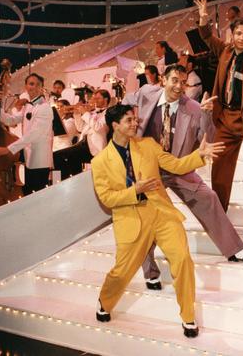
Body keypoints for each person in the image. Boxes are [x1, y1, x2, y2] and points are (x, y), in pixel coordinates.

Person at [123, 63, 243, 290]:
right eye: (174, 81)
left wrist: (207, 116)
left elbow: (209, 138)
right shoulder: (147, 93)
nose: (179, 87)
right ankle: (150, 273)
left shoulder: (195, 107)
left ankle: (235, 249)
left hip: (179, 166)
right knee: (145, 216)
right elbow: (126, 102)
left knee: (208, 197)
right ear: (163, 80)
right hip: (148, 170)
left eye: (183, 82)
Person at [91, 104, 224, 338]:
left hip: (162, 214)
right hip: (131, 219)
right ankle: (105, 301)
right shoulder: (100, 162)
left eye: (135, 119)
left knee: (183, 259)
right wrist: (134, 190)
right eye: (129, 120)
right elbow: (106, 198)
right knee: (121, 273)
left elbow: (175, 165)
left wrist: (198, 156)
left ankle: (188, 317)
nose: (135, 123)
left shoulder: (148, 145)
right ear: (115, 126)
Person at [195, 0, 243, 211]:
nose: (242, 38)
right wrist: (204, 17)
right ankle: (219, 211)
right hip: (225, 118)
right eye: (238, 33)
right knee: (220, 169)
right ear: (232, 35)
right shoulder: (225, 51)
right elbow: (206, 35)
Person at [0, 73, 54, 195]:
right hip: (29, 159)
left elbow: (33, 134)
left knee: (37, 199)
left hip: (40, 162)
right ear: (26, 86)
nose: (34, 87)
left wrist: (8, 149)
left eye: (38, 85)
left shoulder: (45, 108)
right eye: (31, 84)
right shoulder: (28, 106)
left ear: (42, 87)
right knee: (29, 196)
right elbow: (11, 120)